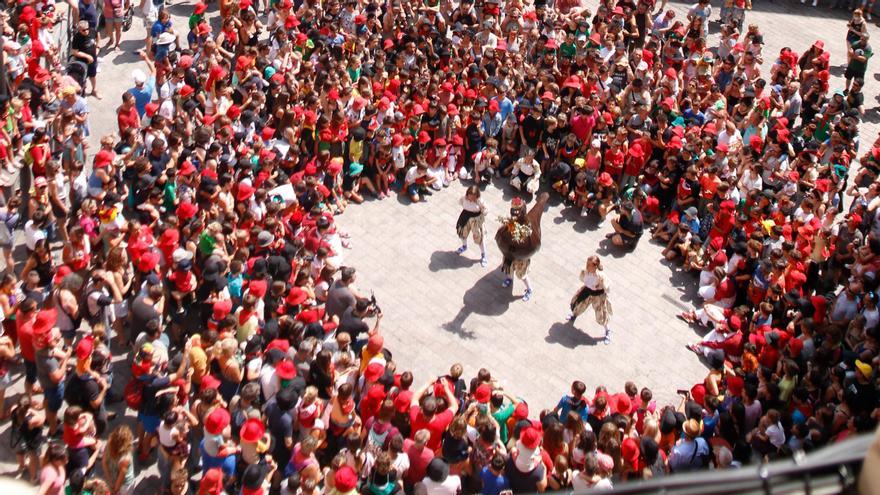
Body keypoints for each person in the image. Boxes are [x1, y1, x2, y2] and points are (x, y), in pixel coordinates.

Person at [566, 256, 614, 344]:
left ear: (595, 266)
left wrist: (600, 287)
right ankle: (574, 315)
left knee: (601, 314)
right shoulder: (585, 272)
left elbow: (608, 287)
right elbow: (582, 278)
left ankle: (608, 331)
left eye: (589, 265)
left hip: (598, 295)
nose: (587, 266)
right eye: (587, 264)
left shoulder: (600, 276)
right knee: (578, 304)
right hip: (587, 291)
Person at [454, 185, 489, 267]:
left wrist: (483, 213)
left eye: (474, 197)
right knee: (462, 232)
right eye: (470, 196)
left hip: (476, 219)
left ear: (477, 196)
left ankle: (484, 255)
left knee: (480, 237)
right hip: (465, 216)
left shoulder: (480, 201)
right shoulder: (464, 198)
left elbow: (486, 210)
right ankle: (464, 246)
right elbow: (460, 202)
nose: (472, 199)